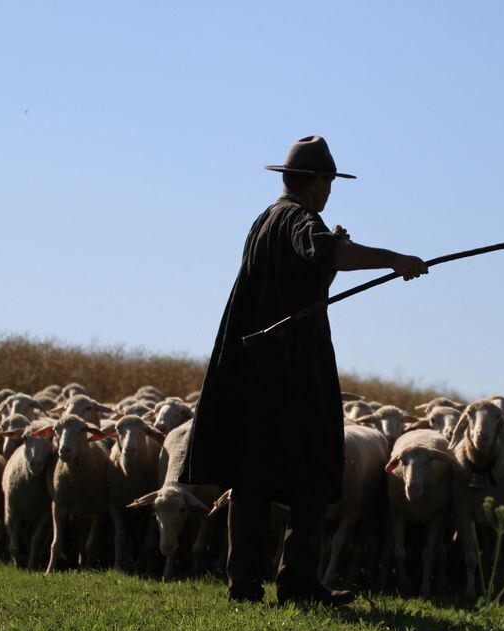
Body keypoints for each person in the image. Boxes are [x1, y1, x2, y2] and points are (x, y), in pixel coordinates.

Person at [178, 136, 428, 605]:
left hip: (255, 372)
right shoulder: (298, 217)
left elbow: (305, 273)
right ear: (314, 181)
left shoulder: (264, 221)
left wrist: (331, 257)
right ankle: (297, 584)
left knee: (251, 476)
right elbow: (324, 252)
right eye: (329, 182)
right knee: (315, 469)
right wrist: (396, 260)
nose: (330, 190)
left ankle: (245, 586)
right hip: (292, 371)